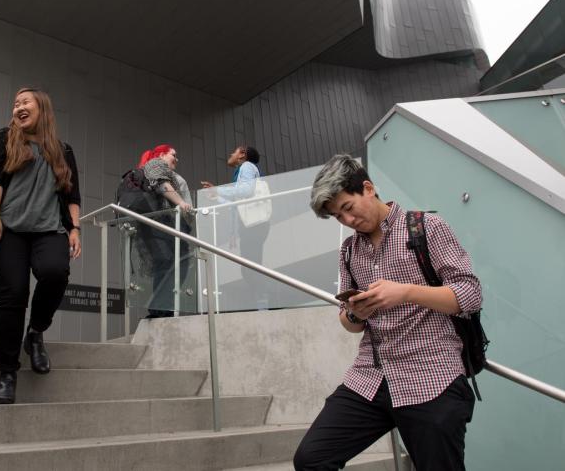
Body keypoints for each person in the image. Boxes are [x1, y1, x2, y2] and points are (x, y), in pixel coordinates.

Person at [293, 154, 481, 470]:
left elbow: (471, 294)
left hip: (431, 375)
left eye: (348, 208)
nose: (347, 221)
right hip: (371, 376)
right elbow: (348, 322)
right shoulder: (349, 251)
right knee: (311, 459)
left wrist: (405, 292)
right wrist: (357, 313)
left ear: (368, 188)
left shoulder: (426, 228)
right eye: (338, 216)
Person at [0, 88, 81, 404]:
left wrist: (74, 228)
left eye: (25, 102)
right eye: (15, 104)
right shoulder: (4, 139)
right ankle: (7, 372)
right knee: (14, 294)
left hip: (49, 229)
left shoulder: (63, 150)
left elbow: (72, 195)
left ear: (42, 108)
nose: (18, 107)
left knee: (56, 272)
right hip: (8, 229)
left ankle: (35, 332)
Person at [201, 145, 270, 308]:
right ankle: (260, 301)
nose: (231, 154)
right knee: (250, 266)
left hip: (253, 225)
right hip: (253, 224)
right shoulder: (246, 170)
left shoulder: (246, 166)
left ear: (242, 155)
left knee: (250, 267)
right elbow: (237, 202)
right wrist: (217, 195)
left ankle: (262, 301)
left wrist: (218, 190)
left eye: (234, 152)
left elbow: (245, 191)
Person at [136, 144, 192, 318]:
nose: (176, 159)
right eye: (173, 155)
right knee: (172, 264)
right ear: (161, 155)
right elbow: (161, 184)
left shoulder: (160, 169)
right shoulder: (155, 164)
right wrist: (181, 203)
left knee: (168, 265)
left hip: (165, 227)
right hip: (162, 226)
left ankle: (160, 309)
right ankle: (160, 309)